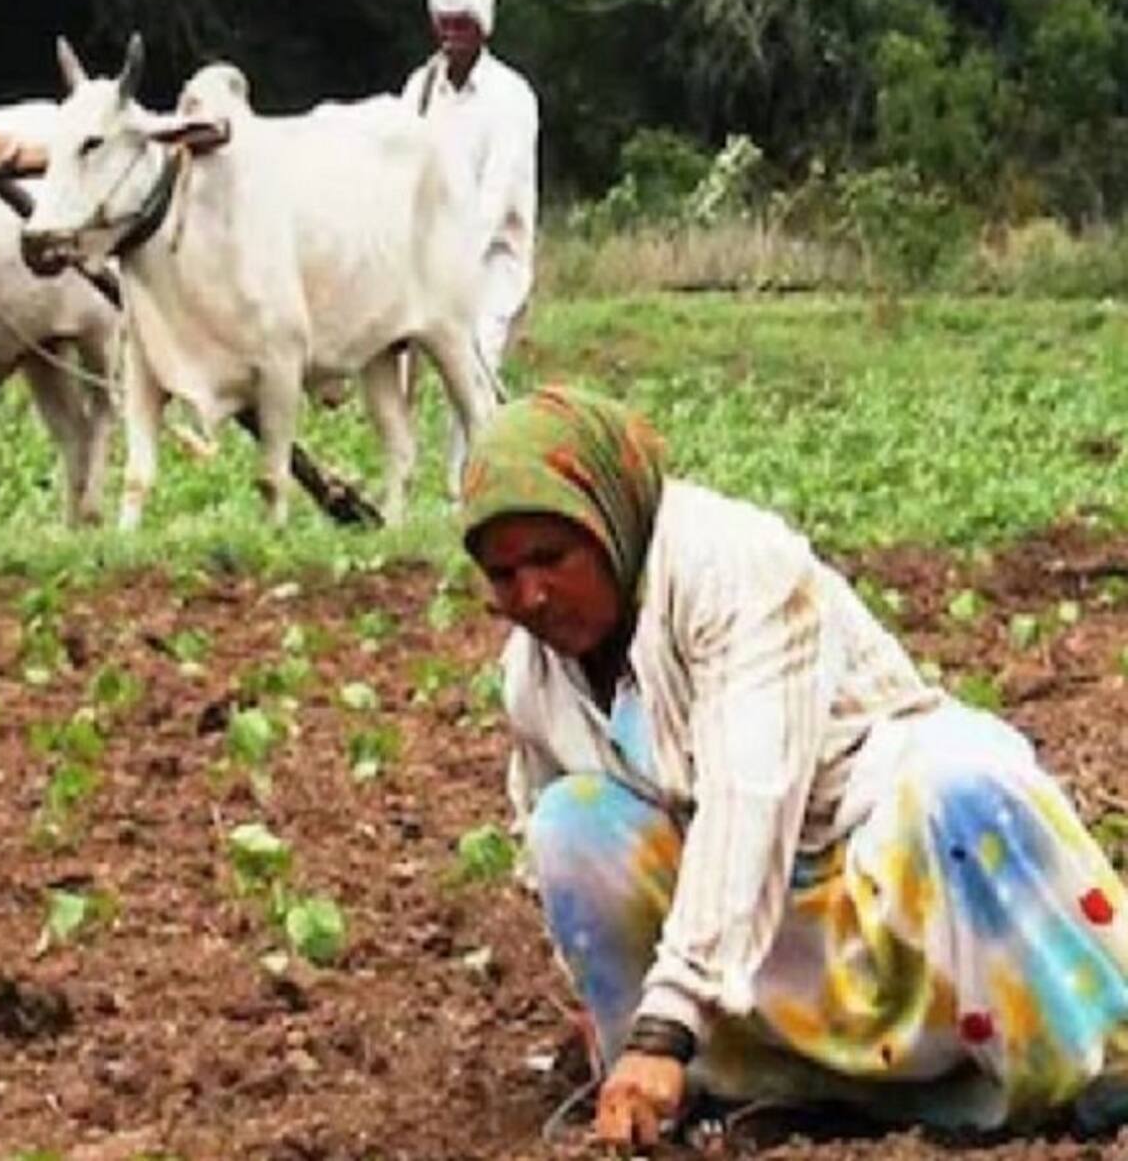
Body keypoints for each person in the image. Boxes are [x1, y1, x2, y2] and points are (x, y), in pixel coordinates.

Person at [458, 385, 1128, 1147]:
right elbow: (546, 833)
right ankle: (725, 1089)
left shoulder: (736, 568)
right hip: (745, 933)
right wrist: (607, 1002)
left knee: (962, 792)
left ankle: (1078, 1079)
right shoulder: (533, 675)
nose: (532, 595)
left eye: (552, 558)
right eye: (503, 574)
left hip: (876, 859)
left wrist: (665, 1025)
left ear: (610, 518)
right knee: (571, 822)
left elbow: (749, 800)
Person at [401, 0, 540, 386]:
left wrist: (456, 260)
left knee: (475, 360)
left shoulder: (510, 96)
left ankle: (475, 434)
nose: (451, 36)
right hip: (426, 257)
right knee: (399, 368)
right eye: (444, 24)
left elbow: (497, 194)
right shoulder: (421, 89)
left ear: (482, 29)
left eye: (462, 25)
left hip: (491, 257)